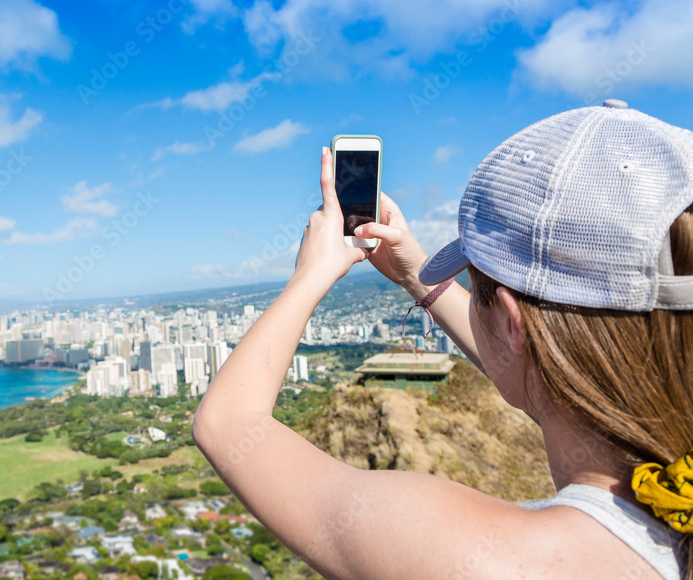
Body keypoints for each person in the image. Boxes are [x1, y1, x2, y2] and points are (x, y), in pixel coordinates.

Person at [193, 100, 693, 580]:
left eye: (476, 288)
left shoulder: (493, 559)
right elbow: (559, 377)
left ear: (513, 327)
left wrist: (312, 273)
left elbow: (228, 423)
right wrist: (420, 280)